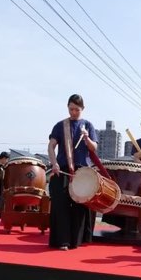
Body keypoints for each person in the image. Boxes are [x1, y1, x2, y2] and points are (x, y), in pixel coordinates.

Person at [47, 94, 98, 250]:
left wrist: (87, 138)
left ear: (82, 109)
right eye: (71, 109)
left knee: (79, 206)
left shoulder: (88, 125)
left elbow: (94, 148)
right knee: (60, 205)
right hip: (62, 169)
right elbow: (51, 146)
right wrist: (54, 163)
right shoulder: (60, 125)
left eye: (77, 109)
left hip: (82, 171)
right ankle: (62, 241)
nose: (73, 112)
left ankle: (76, 240)